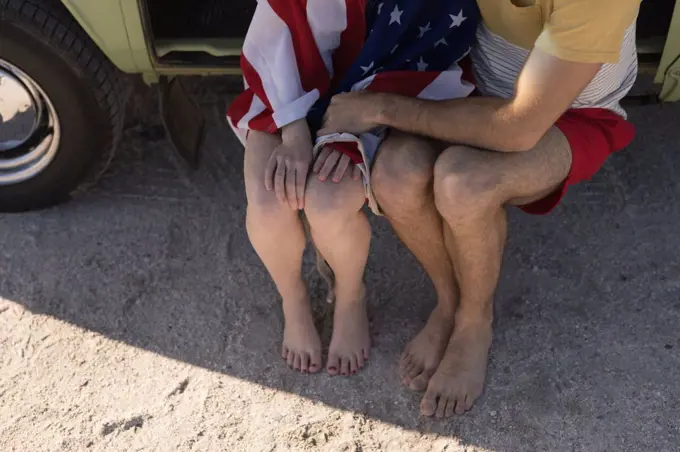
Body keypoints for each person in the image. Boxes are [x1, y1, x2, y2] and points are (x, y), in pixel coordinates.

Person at [319, 0, 641, 416]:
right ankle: (448, 302)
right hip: (472, 87)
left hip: (572, 115)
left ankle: (474, 323)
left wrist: (381, 107)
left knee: (464, 183)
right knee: (395, 176)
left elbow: (520, 126)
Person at [227, 0, 477, 376]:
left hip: (378, 93)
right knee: (268, 203)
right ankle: (293, 299)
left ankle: (349, 296)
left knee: (328, 201)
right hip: (284, 80)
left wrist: (352, 126)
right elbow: (278, 26)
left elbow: (428, 44)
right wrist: (294, 129)